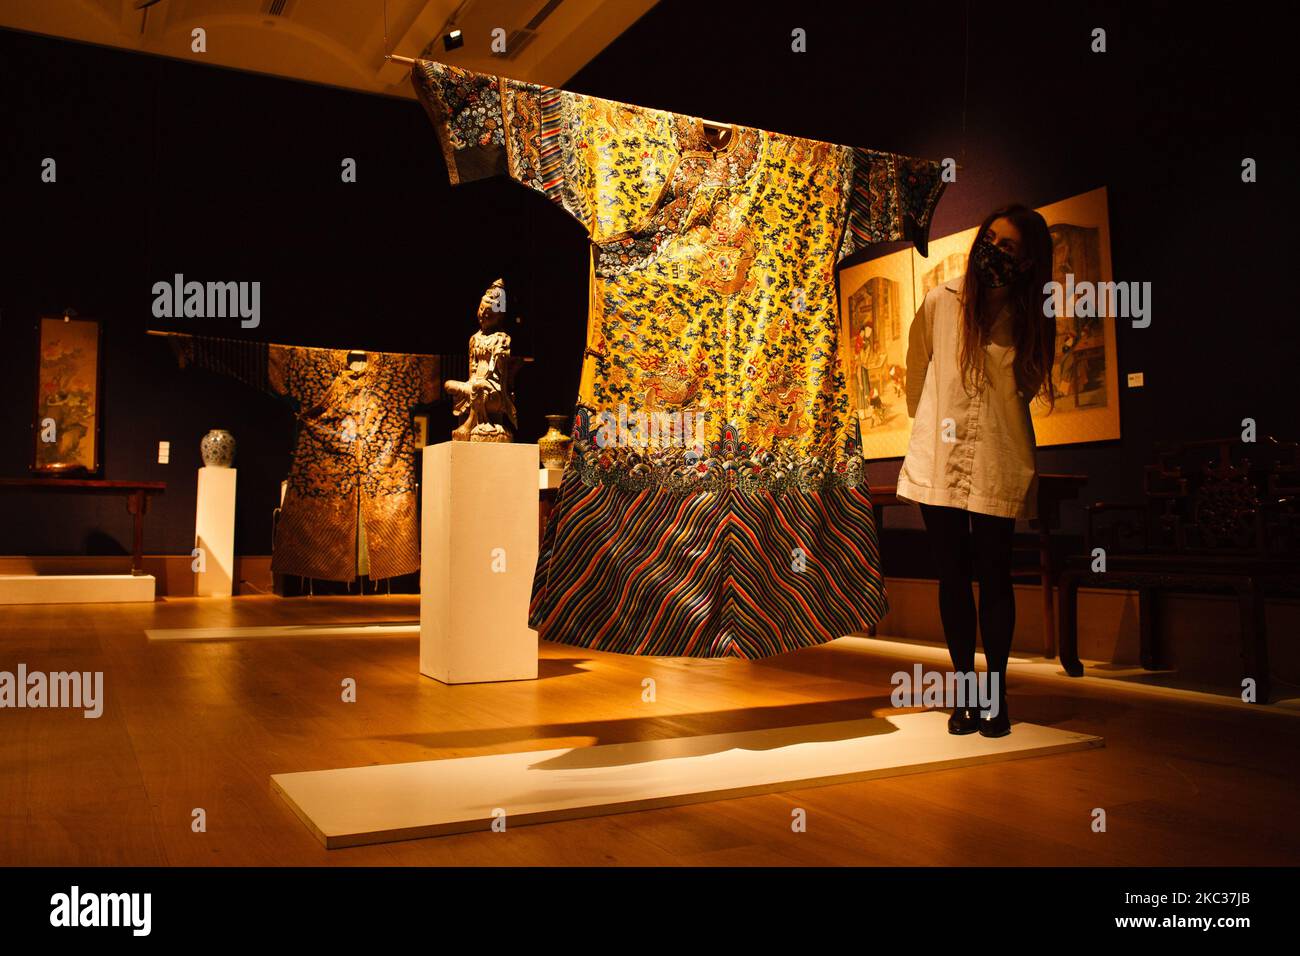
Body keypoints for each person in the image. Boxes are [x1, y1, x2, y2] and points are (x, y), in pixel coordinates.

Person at [895, 205, 1056, 737]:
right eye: (990, 240)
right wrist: (936, 427)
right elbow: (918, 371)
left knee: (995, 576)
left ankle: (997, 696)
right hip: (940, 460)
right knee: (953, 578)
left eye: (1007, 247)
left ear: (1028, 261)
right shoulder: (941, 303)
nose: (993, 252)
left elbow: (1026, 386)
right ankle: (965, 694)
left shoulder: (1032, 317)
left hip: (997, 457)